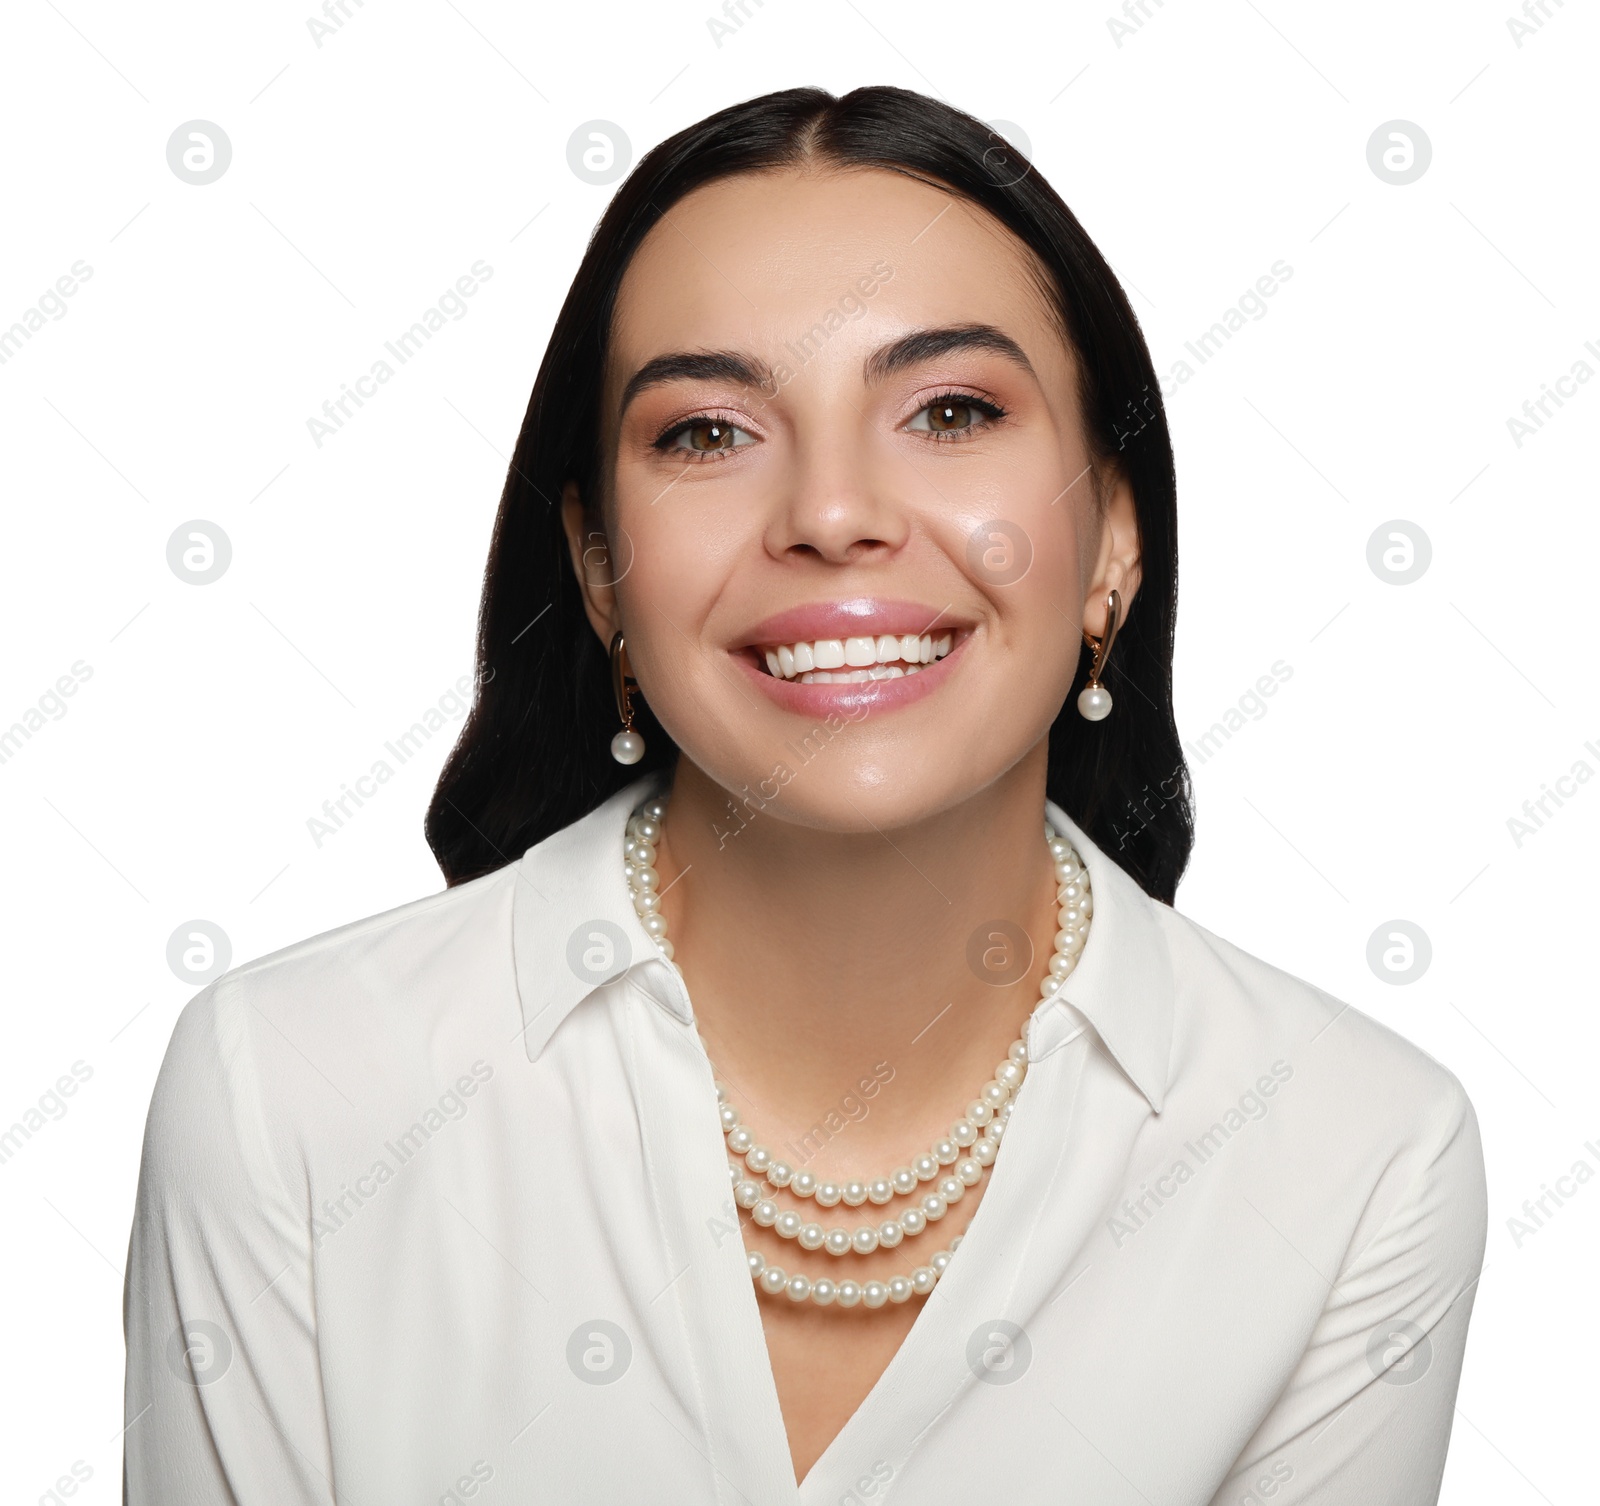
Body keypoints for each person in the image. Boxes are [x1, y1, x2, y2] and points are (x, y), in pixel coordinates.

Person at [123, 86, 1487, 1504]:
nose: (831, 512)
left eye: (950, 410)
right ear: (597, 566)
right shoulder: (293, 1095)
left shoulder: (1355, 1155)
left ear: (1113, 542)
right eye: (708, 432)